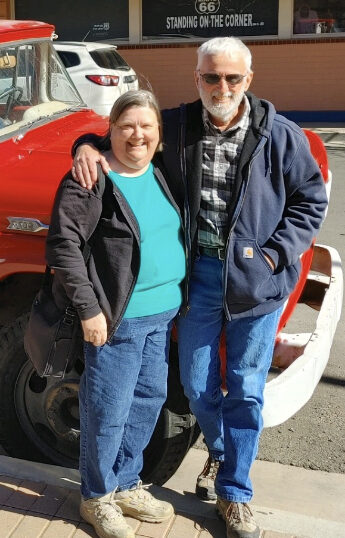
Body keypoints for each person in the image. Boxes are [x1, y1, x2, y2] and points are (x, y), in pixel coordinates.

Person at [71, 37, 328, 538]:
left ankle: (235, 493)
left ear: (248, 80)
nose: (222, 86)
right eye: (211, 77)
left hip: (259, 282)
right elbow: (130, 130)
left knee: (247, 391)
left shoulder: (280, 134)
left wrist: (274, 253)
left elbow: (311, 200)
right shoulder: (181, 126)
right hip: (198, 280)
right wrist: (84, 144)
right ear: (197, 79)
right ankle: (226, 451)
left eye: (233, 78)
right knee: (195, 384)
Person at [46, 90, 186, 538]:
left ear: (159, 134)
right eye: (126, 126)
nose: (137, 135)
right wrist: (90, 309)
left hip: (162, 316)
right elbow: (63, 245)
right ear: (111, 129)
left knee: (146, 403)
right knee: (108, 410)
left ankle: (126, 483)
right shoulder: (91, 176)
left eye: (146, 126)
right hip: (116, 321)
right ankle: (97, 496)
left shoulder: (160, 170)